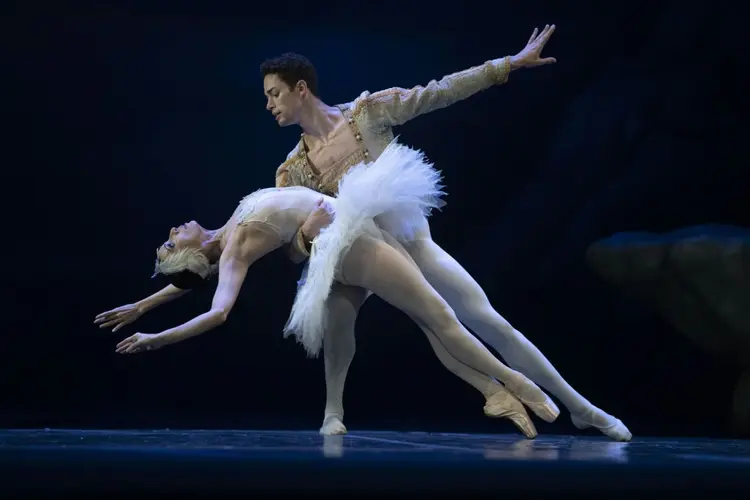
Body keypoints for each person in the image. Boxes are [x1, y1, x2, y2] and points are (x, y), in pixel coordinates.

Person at [261, 25, 632, 441]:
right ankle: (333, 410)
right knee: (335, 316)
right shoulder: (291, 171)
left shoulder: (366, 113)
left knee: (486, 322)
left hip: (412, 244)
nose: (269, 104)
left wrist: (507, 63)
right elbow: (290, 252)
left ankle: (580, 407)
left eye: (274, 94)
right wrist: (303, 237)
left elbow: (437, 92)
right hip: (361, 257)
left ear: (301, 89)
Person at [96, 142, 561, 439]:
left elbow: (191, 280)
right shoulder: (234, 251)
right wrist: (157, 338)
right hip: (348, 242)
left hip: (348, 232)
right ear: (190, 253)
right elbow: (217, 312)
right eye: (171, 241)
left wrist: (142, 305)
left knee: (422, 321)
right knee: (438, 316)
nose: (174, 228)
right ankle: (519, 386)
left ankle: (494, 391)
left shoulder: (224, 233)